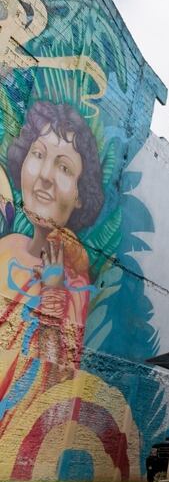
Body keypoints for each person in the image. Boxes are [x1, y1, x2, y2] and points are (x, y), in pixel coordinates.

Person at [0, 101, 103, 427]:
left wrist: (54, 297)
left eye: (64, 168)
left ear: (80, 195)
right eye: (39, 154)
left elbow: (55, 388)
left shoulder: (75, 285)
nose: (44, 176)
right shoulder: (7, 248)